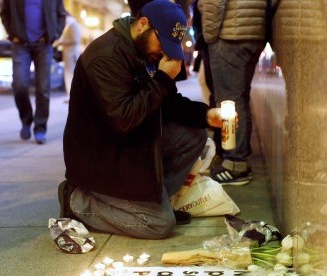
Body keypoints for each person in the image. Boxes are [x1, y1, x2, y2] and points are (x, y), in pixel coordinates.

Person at [58, 0, 224, 239]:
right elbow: (123, 119)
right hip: (101, 157)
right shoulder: (105, 57)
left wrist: (205, 114)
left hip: (129, 143)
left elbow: (167, 103)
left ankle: (154, 204)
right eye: (162, 42)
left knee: (193, 135)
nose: (164, 52)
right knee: (159, 225)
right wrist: (163, 79)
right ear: (142, 24)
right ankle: (77, 202)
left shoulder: (146, 49)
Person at [198, 0, 267, 185]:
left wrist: (210, 35)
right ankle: (236, 160)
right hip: (254, 30)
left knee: (229, 100)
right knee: (240, 98)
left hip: (229, 31)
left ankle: (236, 164)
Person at [0, 0, 66, 144]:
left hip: (44, 45)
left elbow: (62, 15)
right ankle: (26, 120)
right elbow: (4, 12)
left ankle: (40, 128)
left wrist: (54, 34)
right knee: (19, 85)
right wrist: (12, 35)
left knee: (43, 88)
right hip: (20, 45)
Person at [53, 12, 81, 100]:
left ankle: (71, 95)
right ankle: (70, 95)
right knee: (69, 74)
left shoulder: (73, 25)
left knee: (69, 74)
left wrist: (61, 41)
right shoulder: (71, 25)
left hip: (71, 53)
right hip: (69, 53)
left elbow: (74, 39)